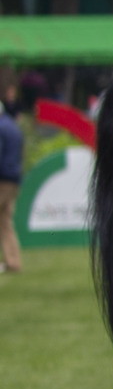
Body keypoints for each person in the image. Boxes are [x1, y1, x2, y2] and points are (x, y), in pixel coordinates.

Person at [0, 84, 21, 274]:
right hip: (14, 178)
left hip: (2, 179)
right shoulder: (13, 126)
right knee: (5, 221)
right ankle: (13, 261)